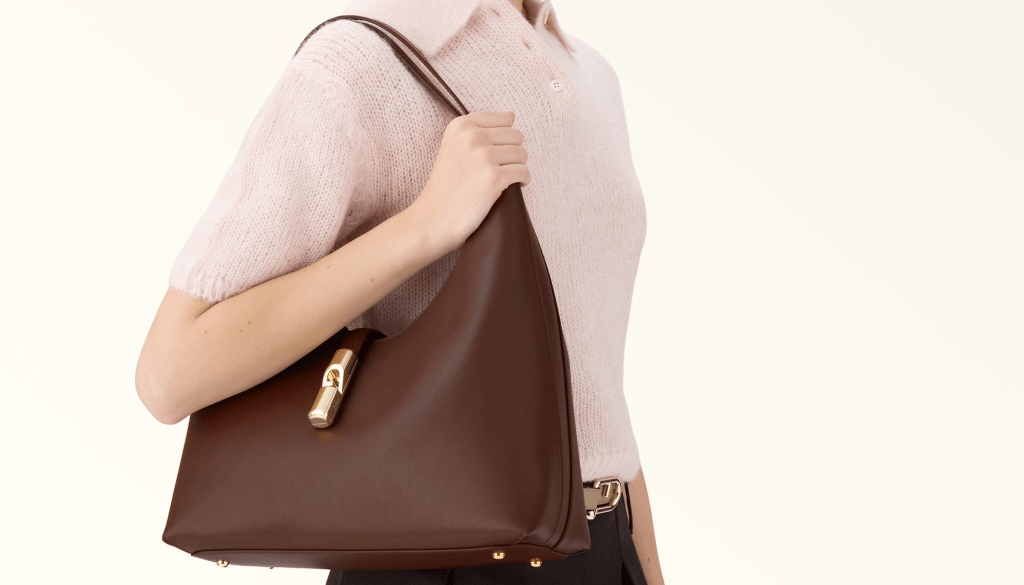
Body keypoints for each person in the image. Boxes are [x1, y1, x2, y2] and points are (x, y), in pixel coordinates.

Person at [135, 0, 664, 583]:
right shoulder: (357, 65)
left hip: (607, 542)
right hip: (445, 554)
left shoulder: (592, 74)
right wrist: (424, 226)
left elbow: (597, 393)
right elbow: (170, 373)